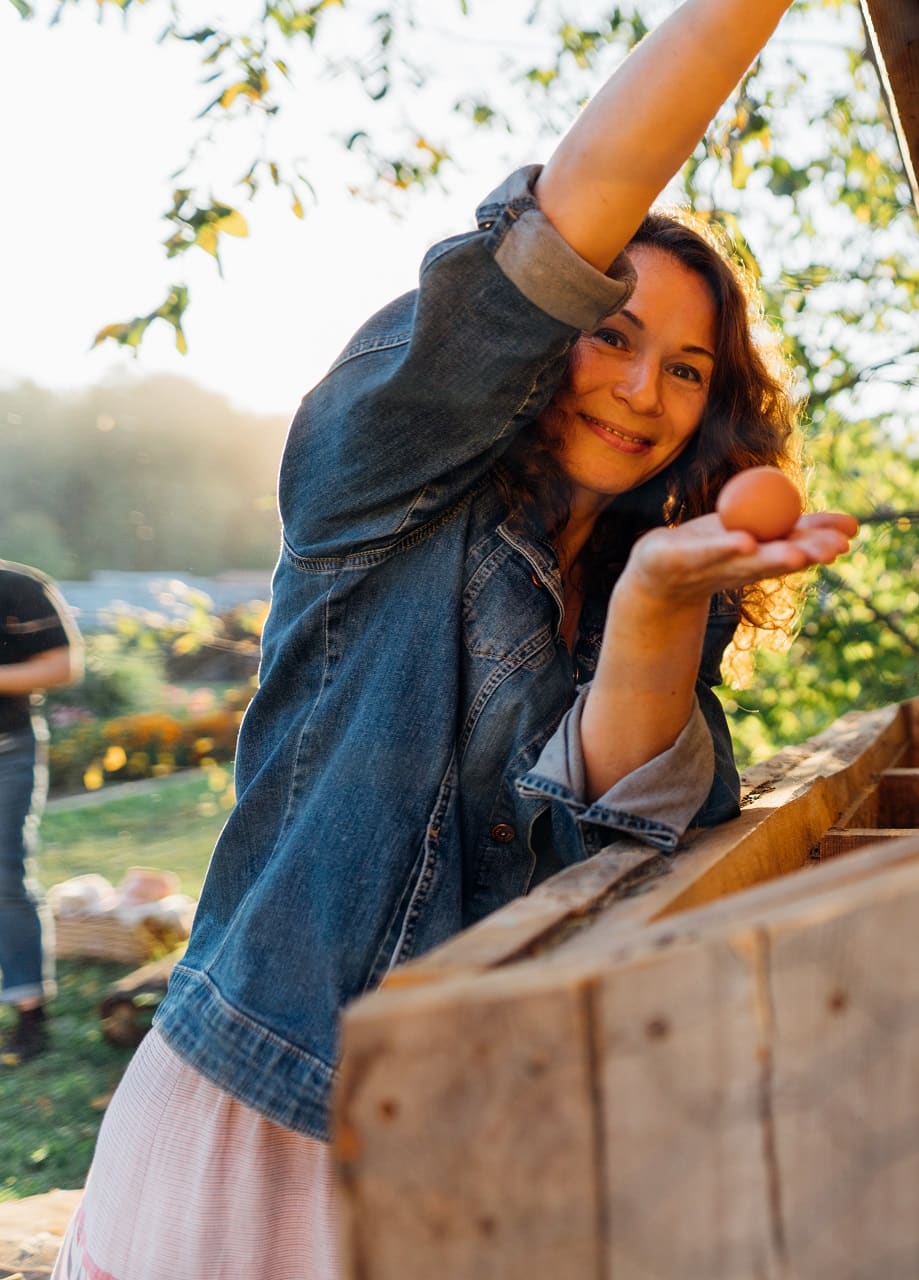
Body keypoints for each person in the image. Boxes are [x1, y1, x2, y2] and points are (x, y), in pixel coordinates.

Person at [53, 0, 853, 1274]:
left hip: (465, 1145)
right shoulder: (384, 479)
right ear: (539, 347)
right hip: (266, 1113)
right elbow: (555, 235)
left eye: (689, 368)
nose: (643, 389)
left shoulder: (649, 575)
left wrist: (655, 600)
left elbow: (605, 827)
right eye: (612, 335)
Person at [0, 559, 82, 1066]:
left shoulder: (17, 587)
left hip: (6, 752)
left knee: (4, 878)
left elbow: (64, 665)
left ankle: (30, 1015)